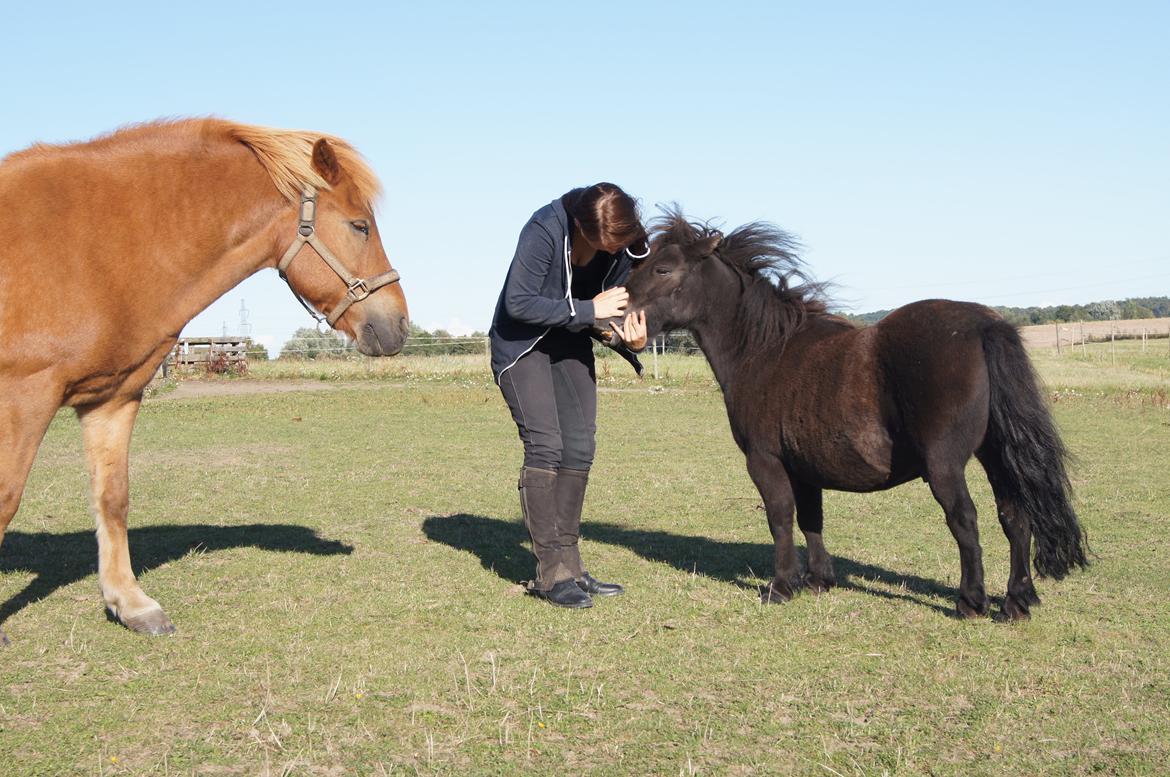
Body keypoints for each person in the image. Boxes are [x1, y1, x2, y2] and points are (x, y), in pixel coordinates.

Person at [489, 182, 649, 608]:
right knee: (546, 446)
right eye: (606, 244)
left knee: (579, 448)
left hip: (569, 343)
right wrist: (587, 310)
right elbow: (519, 302)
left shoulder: (629, 246)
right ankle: (550, 573)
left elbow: (615, 311)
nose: (614, 252)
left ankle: (572, 565)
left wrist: (628, 340)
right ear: (581, 226)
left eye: (621, 244)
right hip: (522, 345)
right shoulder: (543, 228)